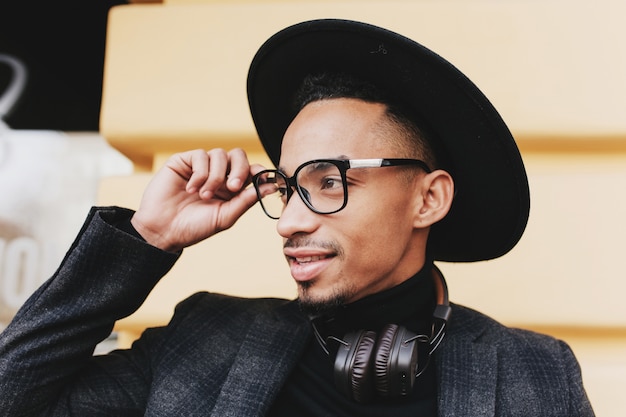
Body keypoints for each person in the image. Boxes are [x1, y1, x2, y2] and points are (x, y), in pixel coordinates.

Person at [0, 19, 594, 416]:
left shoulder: (535, 372)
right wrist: (147, 239)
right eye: (286, 188)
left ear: (428, 199)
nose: (287, 224)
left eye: (330, 181)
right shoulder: (205, 336)